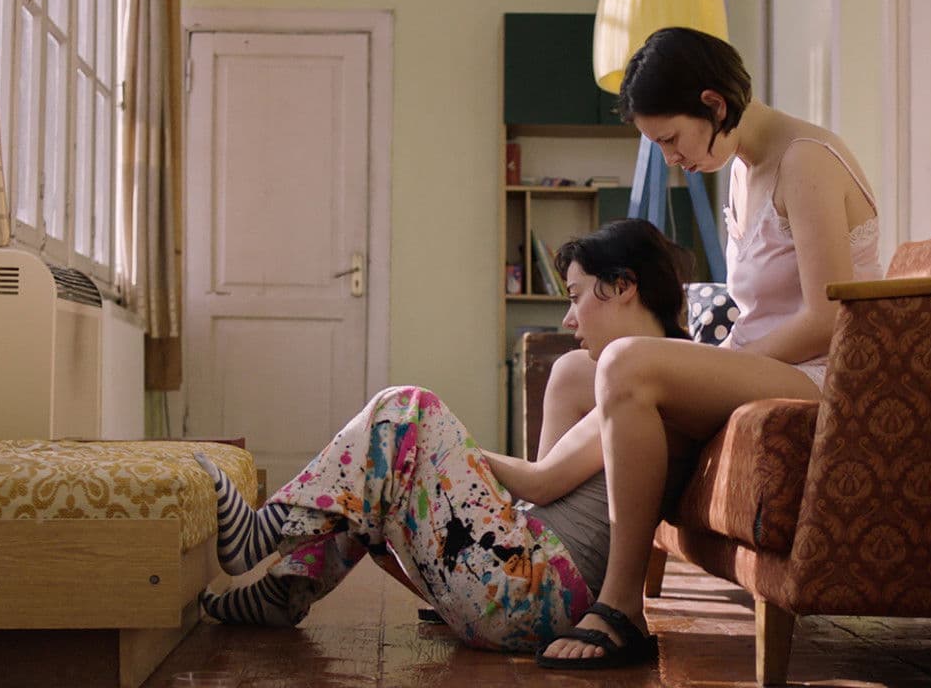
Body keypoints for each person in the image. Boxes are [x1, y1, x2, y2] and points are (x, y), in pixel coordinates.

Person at [534, 26, 883, 667]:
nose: (670, 159)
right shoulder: (743, 173)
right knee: (575, 371)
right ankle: (541, 563)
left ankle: (620, 607)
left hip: (820, 374)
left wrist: (721, 363)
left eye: (671, 139)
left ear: (714, 106)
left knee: (625, 362)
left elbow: (829, 317)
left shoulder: (805, 161)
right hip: (766, 366)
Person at [191, 218, 689, 658]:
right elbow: (543, 500)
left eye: (576, 296)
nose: (568, 318)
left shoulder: (647, 384)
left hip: (538, 591)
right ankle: (284, 591)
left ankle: (265, 533)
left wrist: (429, 449)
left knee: (407, 408)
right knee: (378, 473)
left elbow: (540, 482)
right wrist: (417, 461)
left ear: (623, 286)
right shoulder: (641, 379)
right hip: (529, 584)